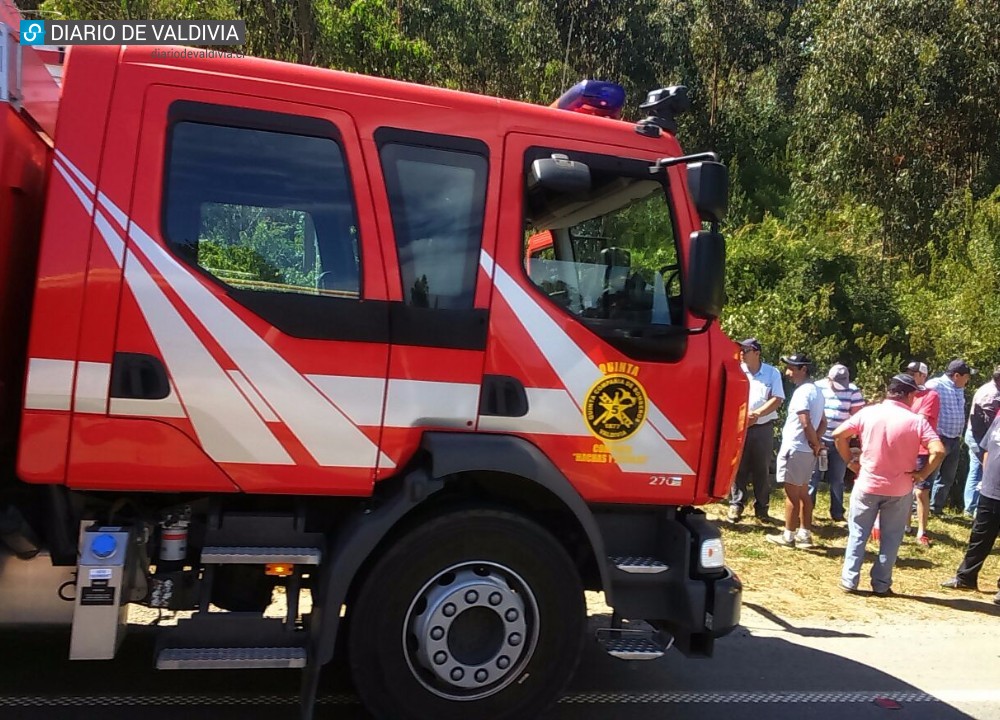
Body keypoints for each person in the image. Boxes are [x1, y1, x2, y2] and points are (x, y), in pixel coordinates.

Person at [834, 374, 945, 596]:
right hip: (900, 486)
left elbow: (839, 434)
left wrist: (850, 462)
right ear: (911, 394)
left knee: (858, 532)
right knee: (892, 538)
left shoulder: (869, 412)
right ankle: (882, 584)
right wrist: (922, 474)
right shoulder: (916, 421)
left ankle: (849, 580)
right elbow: (939, 450)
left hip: (867, 482)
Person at [940, 411, 1000, 605]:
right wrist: (985, 479)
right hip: (990, 491)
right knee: (979, 536)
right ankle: (966, 577)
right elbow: (987, 449)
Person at [766, 353, 825, 548]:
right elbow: (823, 422)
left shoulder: (802, 392)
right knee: (803, 492)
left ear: (803, 369)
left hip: (796, 448)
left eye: (792, 368)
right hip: (806, 450)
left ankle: (789, 536)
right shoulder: (817, 391)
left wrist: (814, 442)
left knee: (791, 493)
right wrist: (815, 443)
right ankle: (804, 534)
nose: (788, 372)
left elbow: (805, 421)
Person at [727, 338, 785, 524]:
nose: (742, 353)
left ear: (757, 353)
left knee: (761, 468)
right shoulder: (737, 370)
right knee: (738, 467)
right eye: (741, 350)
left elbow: (777, 398)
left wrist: (757, 414)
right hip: (739, 427)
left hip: (762, 428)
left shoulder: (771, 372)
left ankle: (762, 508)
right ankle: (736, 504)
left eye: (746, 350)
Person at [809, 363, 865, 522]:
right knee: (813, 477)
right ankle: (807, 510)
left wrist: (848, 439)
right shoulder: (817, 387)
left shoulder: (853, 390)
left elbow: (857, 418)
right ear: (829, 379)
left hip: (841, 441)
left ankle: (837, 512)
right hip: (820, 439)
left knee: (837, 479)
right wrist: (816, 438)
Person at [926, 359, 975, 515]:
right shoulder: (935, 386)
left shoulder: (958, 388)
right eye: (966, 377)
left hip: (954, 438)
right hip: (938, 438)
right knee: (929, 474)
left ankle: (936, 508)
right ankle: (918, 507)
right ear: (956, 375)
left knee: (947, 477)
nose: (968, 380)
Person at [904, 361, 940, 546]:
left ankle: (921, 531)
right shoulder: (906, 394)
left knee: (920, 491)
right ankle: (906, 525)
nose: (911, 376)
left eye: (915, 373)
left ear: (923, 376)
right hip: (905, 447)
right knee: (904, 488)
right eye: (909, 372)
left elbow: (920, 420)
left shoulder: (931, 395)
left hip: (922, 450)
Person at [962, 366, 1000, 517]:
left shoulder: (990, 389)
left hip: (977, 436)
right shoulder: (992, 394)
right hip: (979, 437)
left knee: (976, 470)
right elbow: (990, 423)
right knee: (984, 470)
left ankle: (971, 508)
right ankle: (975, 508)